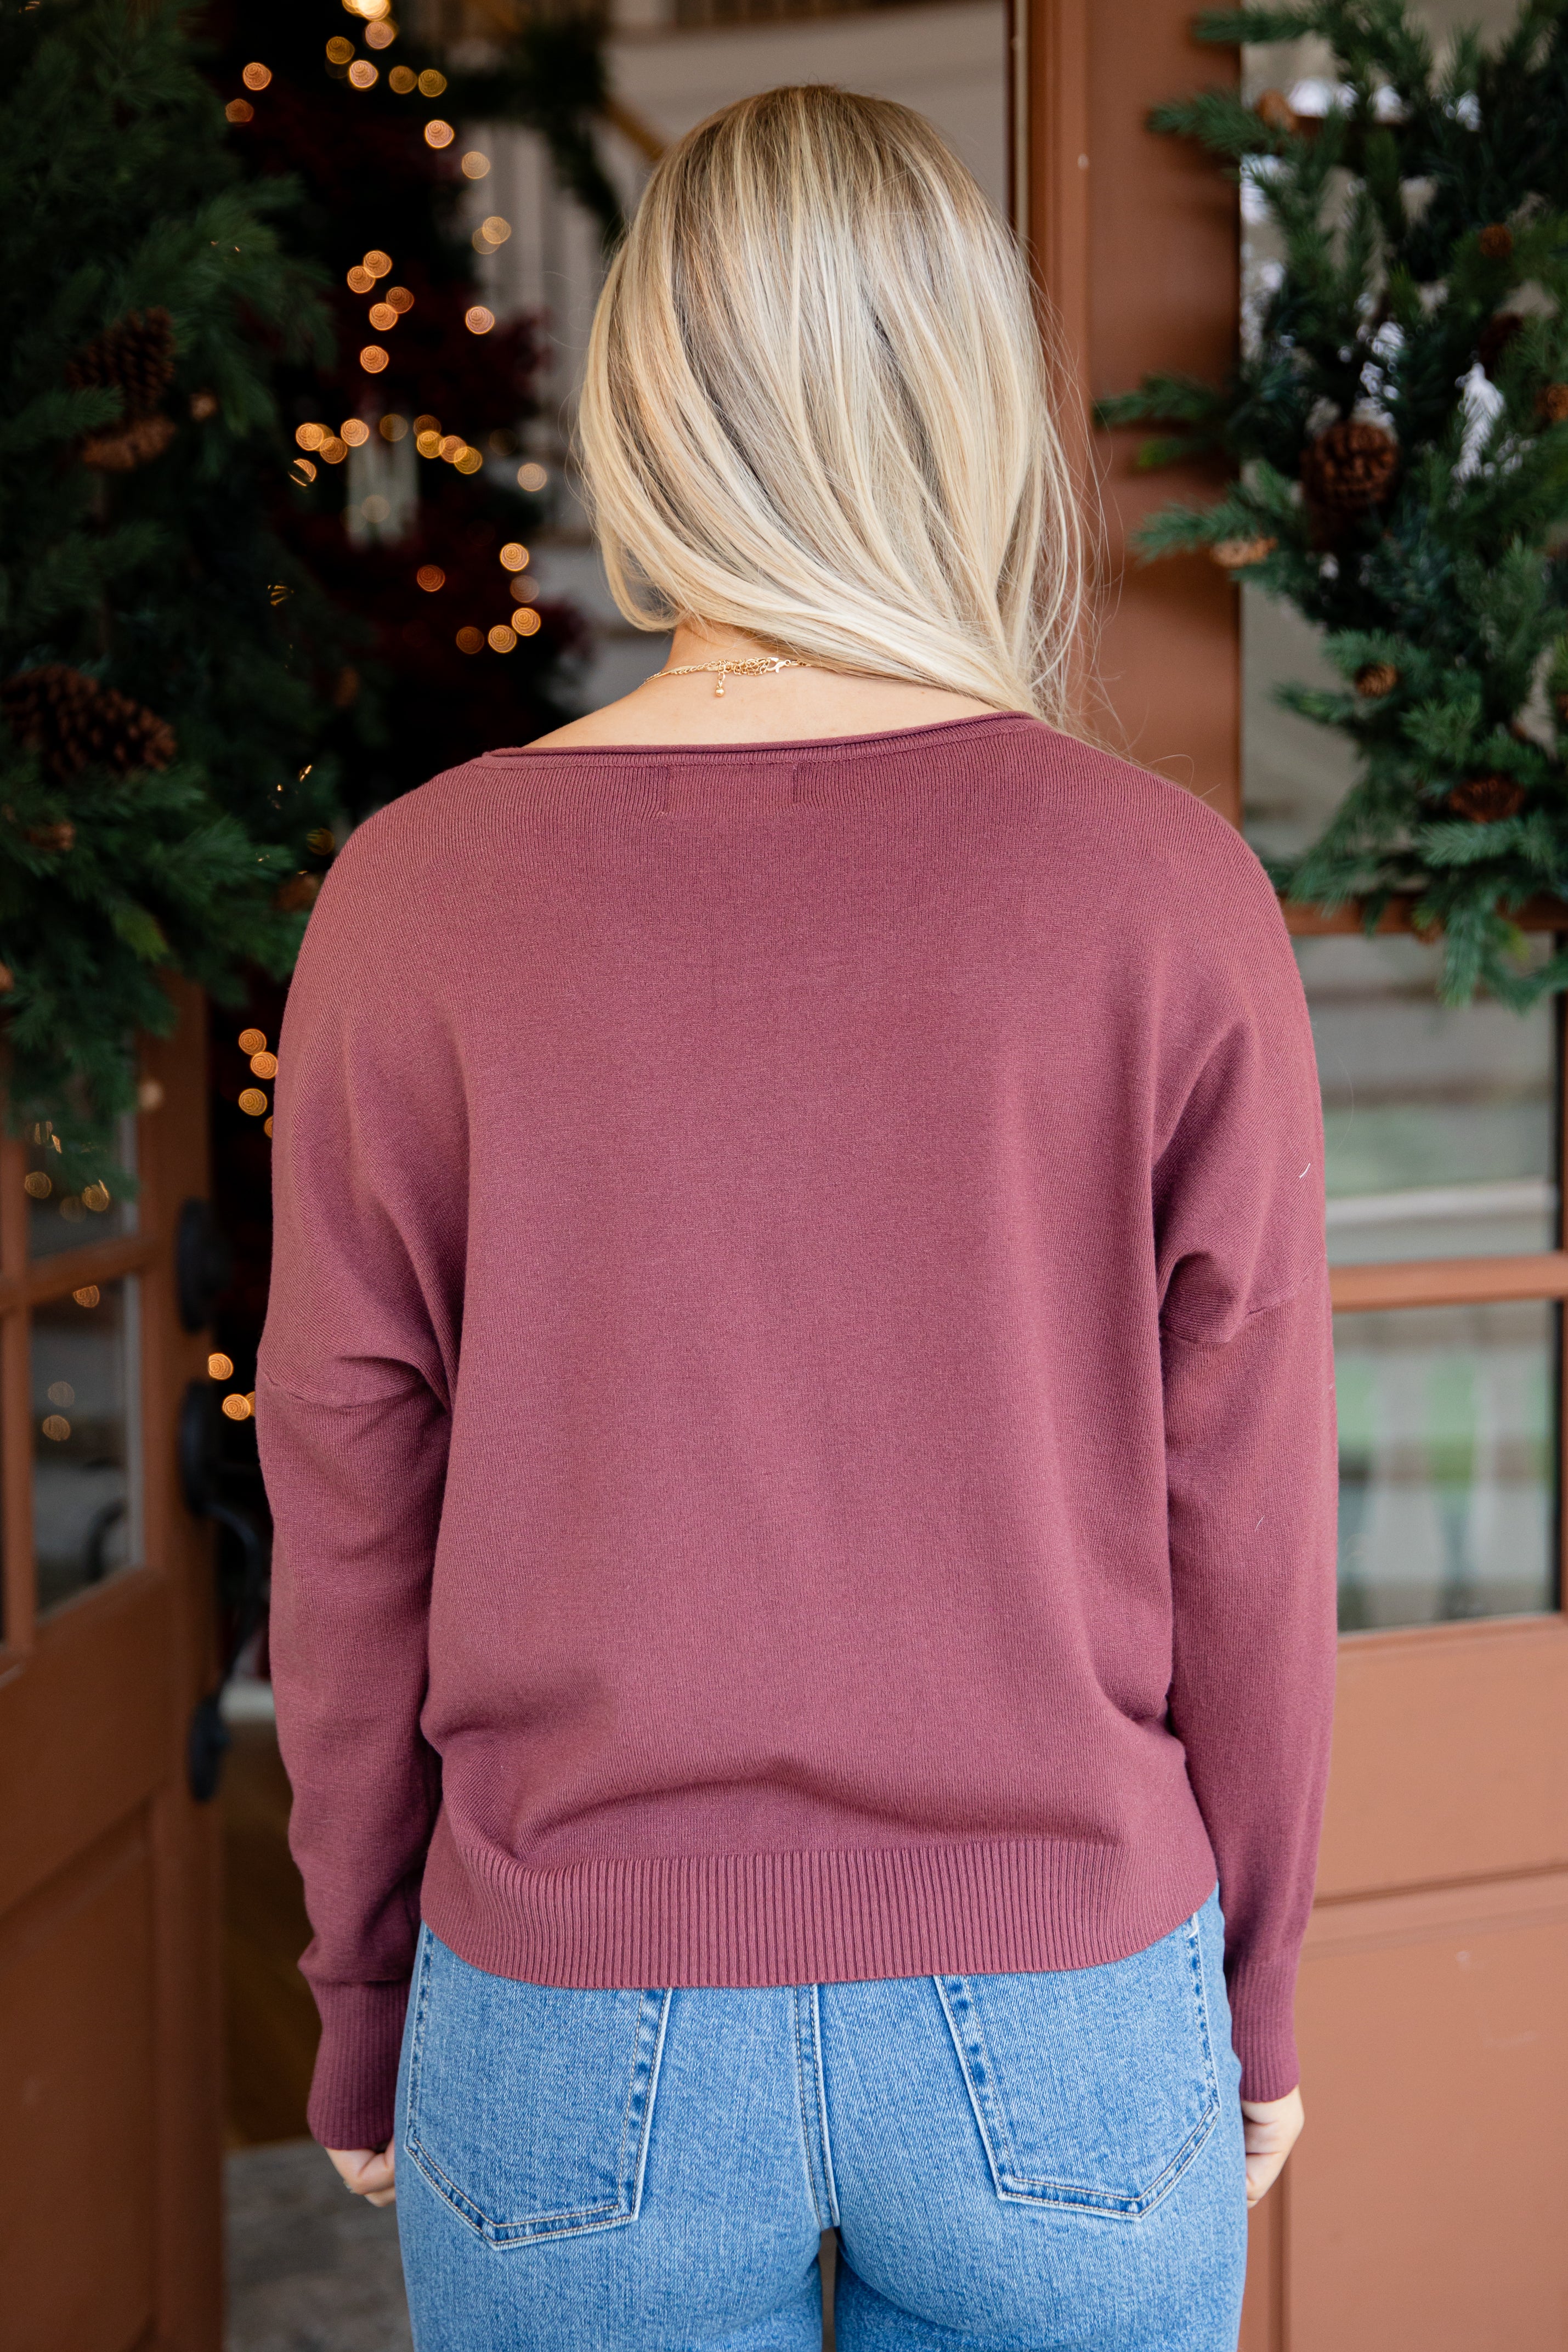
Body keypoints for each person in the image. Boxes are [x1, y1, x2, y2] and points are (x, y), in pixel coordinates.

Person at [257, 83, 1337, 2352]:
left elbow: (347, 1494)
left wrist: (360, 1989)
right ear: (967, 416)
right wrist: (1251, 1996)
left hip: (572, 2017)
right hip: (1066, 2011)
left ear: (644, 412)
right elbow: (1245, 1511)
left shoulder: (417, 896)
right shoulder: (1166, 895)